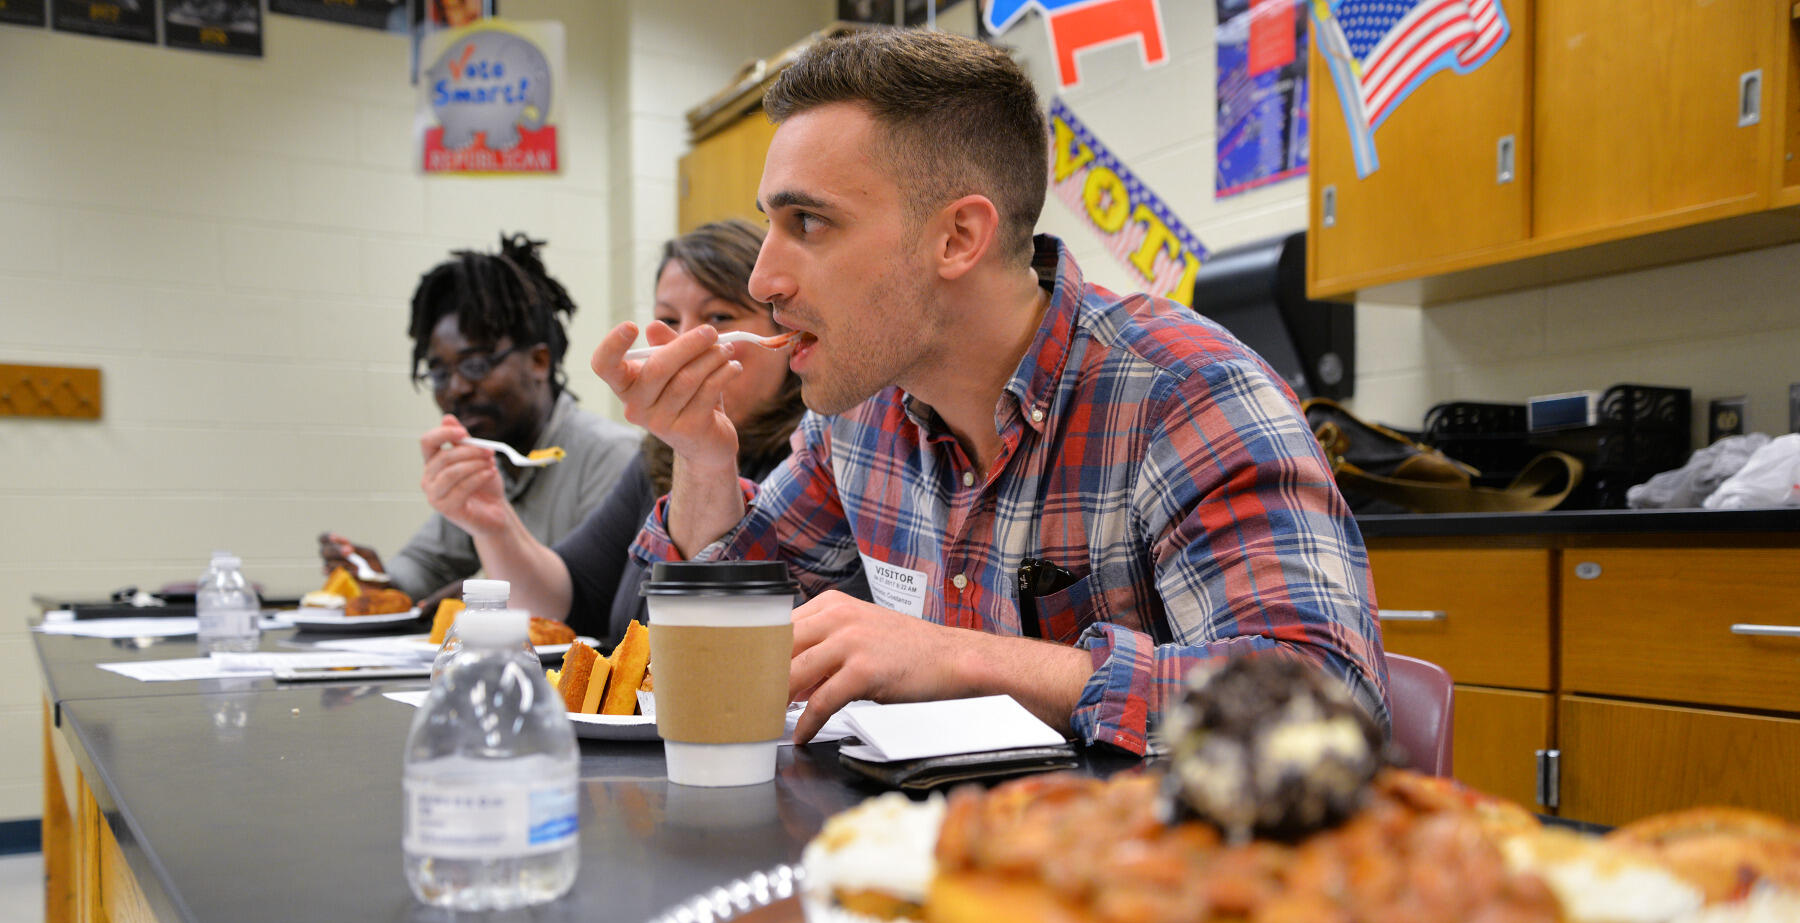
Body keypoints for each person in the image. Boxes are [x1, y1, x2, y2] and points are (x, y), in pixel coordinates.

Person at [595, 28, 1389, 752]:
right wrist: (700, 458)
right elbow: (729, 627)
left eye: (807, 223)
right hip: (944, 844)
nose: (763, 280)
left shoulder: (1186, 394)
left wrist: (961, 659)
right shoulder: (862, 411)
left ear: (958, 237)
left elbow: (1329, 703)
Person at [412, 220, 808, 643]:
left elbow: (744, 642)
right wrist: (494, 523)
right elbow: (566, 598)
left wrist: (703, 455)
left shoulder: (813, 455)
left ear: (783, 333)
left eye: (718, 317)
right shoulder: (654, 459)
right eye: (668, 319)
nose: (684, 341)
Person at [320, 233, 639, 611]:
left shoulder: (611, 455)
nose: (457, 388)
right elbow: (428, 564)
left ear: (539, 362)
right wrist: (378, 578)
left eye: (475, 365)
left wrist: (489, 592)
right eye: (439, 373)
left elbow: (598, 593)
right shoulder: (488, 462)